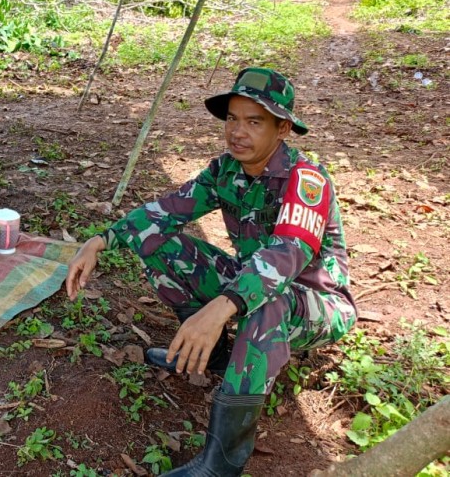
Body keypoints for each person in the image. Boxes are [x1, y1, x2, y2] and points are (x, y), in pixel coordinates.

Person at [66, 67, 356, 477]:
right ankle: (216, 355)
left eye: (254, 121)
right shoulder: (225, 171)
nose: (238, 132)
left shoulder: (305, 180)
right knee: (159, 242)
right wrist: (101, 240)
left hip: (315, 301)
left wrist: (223, 307)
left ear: (283, 128)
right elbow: (167, 210)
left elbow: (288, 255)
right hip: (249, 280)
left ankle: (222, 464)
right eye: (232, 119)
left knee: (269, 301)